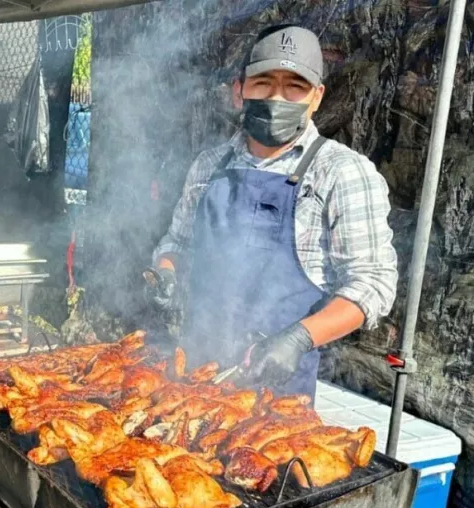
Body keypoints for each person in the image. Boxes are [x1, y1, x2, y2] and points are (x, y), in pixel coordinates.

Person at [148, 24, 397, 401]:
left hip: (278, 395)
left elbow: (372, 284)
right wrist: (165, 272)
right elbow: (177, 243)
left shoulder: (341, 172)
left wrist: (298, 339)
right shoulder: (208, 166)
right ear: (239, 91)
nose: (277, 97)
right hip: (194, 376)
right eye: (263, 82)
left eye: (294, 86)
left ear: (316, 98)